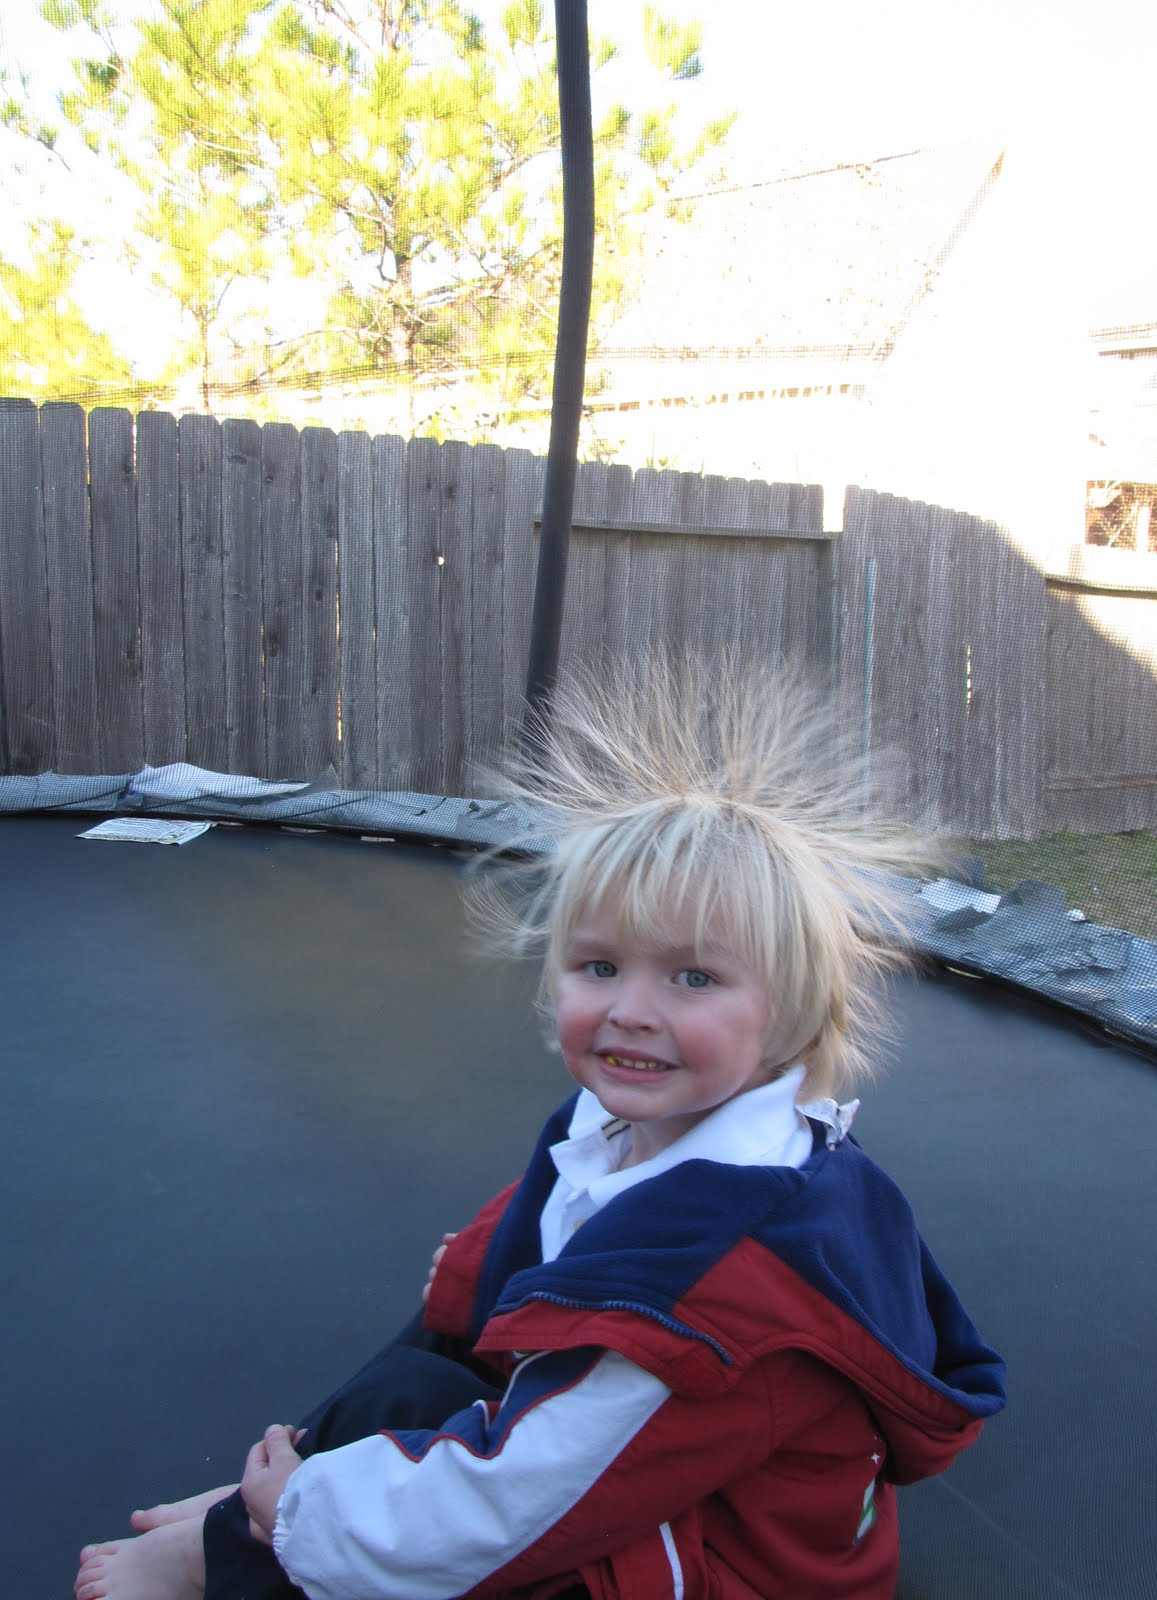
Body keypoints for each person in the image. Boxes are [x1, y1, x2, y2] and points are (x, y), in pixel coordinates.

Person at [75, 659, 1006, 1600]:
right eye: (599, 966)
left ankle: (233, 1548)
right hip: (663, 1485)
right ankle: (268, 1492)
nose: (630, 1011)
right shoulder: (642, 1121)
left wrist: (306, 1525)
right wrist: (470, 1281)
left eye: (693, 978)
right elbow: (555, 1208)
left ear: (793, 1016)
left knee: (426, 1532)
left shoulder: (716, 1281)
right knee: (412, 1384)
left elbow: (519, 1505)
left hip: (735, 1568)